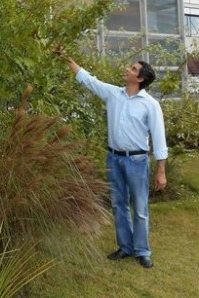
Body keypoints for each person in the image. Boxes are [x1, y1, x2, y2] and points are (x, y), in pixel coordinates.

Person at [65, 57, 167, 269]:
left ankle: (142, 251)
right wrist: (68, 59)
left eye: (132, 69)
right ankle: (125, 247)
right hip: (114, 159)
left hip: (137, 161)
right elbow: (89, 80)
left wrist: (161, 171)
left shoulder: (151, 105)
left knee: (139, 208)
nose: (127, 70)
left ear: (139, 78)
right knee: (118, 205)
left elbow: (159, 138)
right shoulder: (113, 93)